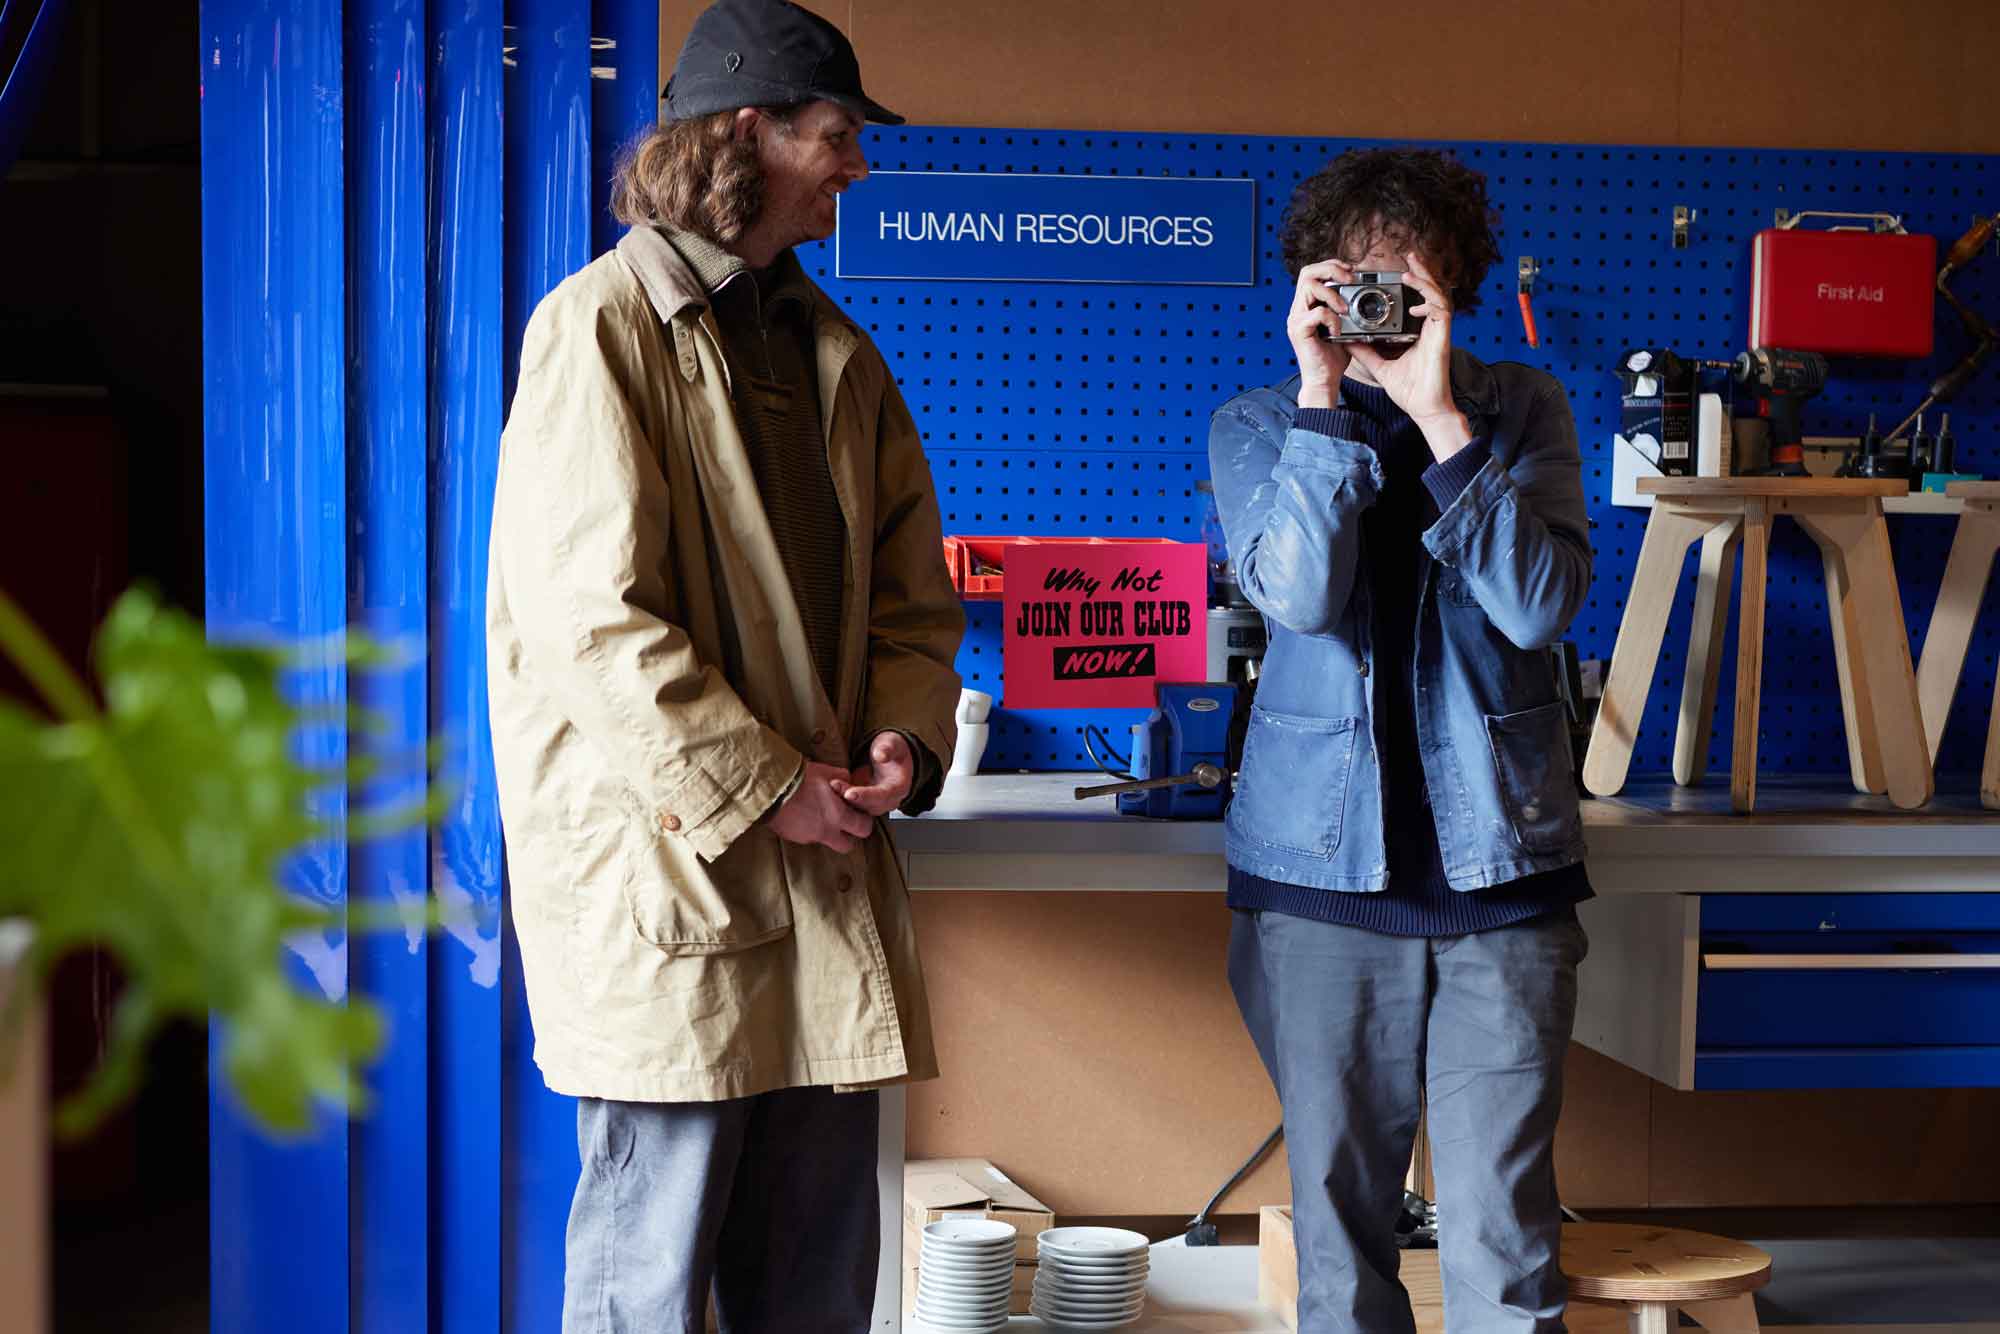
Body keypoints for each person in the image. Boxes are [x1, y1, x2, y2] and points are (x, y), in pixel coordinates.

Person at [485, 1, 964, 1329]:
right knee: (646, 1288)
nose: (856, 164)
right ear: (749, 133)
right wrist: (768, 787)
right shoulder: (598, 329)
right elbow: (593, 621)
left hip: (822, 881)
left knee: (814, 1291)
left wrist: (904, 739)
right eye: (836, 134)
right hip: (675, 889)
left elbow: (914, 604)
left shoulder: (837, 355)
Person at [1207, 147, 1595, 1333]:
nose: (1375, 304)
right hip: (1320, 881)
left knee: (1504, 1242)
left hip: (1502, 876)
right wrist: (1324, 403)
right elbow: (1299, 596)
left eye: (1402, 283)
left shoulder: (1517, 407)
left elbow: (1538, 606)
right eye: (1352, 278)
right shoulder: (1259, 421)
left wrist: (1437, 418)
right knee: (1339, 1242)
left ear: (1452, 285)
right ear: (1312, 286)